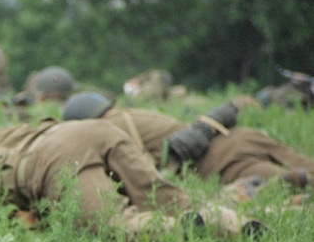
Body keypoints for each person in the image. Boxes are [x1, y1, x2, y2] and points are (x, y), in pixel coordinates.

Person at [0, 120, 258, 240]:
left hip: (52, 160)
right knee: (167, 198)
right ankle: (237, 225)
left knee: (117, 225)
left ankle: (182, 232)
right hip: (87, 130)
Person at [63, 92, 314, 191]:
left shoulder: (108, 129)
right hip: (238, 137)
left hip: (220, 162)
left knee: (288, 185)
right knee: (305, 168)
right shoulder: (129, 115)